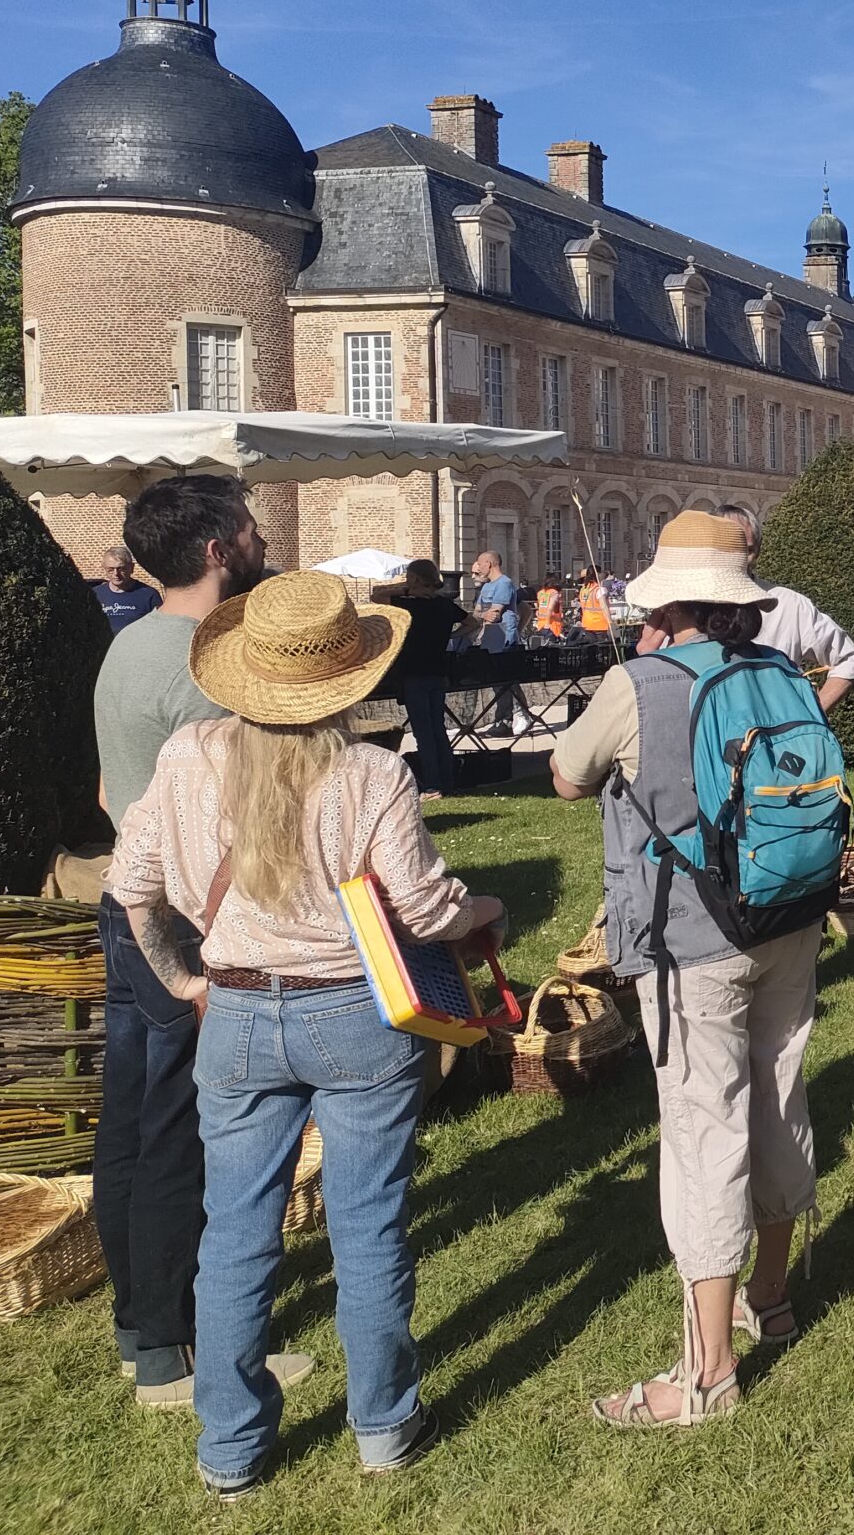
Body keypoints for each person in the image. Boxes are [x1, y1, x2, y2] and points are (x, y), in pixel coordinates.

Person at [110, 571, 504, 1499]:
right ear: (349, 676)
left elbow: (132, 887)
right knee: (368, 1227)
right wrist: (483, 909)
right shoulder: (372, 775)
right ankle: (385, 1426)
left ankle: (231, 1448)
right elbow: (425, 909)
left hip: (237, 1012)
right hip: (356, 1015)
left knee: (234, 1235)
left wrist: (184, 982)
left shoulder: (188, 756)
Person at [549, 513, 827, 1427]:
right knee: (778, 1096)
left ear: (667, 605)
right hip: (787, 912)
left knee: (705, 1132)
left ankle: (707, 1375)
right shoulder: (779, 669)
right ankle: (771, 1298)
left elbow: (566, 775)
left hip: (692, 936)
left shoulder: (637, 683)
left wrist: (641, 670)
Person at [91, 476, 313, 1413]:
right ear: (220, 548)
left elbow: (111, 793)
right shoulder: (202, 665)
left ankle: (138, 1325)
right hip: (183, 920)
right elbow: (236, 813)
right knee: (180, 1127)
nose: (262, 542)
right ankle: (170, 1353)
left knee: (131, 1118)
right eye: (252, 529)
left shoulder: (127, 643)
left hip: (126, 902)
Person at [712, 503, 854, 712]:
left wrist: (811, 716)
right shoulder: (684, 607)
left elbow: (849, 660)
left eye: (746, 550)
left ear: (757, 551)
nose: (737, 558)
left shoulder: (788, 605)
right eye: (729, 547)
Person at [379, 560, 467, 799]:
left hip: (414, 672)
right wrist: (451, 636)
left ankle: (432, 786)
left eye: (409, 577)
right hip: (438, 671)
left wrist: (406, 590)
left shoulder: (408, 605)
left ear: (415, 579)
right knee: (438, 729)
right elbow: (472, 622)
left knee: (424, 733)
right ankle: (447, 782)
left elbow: (377, 595)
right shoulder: (444, 605)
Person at [468, 550, 526, 735]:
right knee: (497, 683)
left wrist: (484, 615)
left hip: (505, 639)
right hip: (489, 640)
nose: (478, 568)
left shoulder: (505, 584)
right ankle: (503, 721)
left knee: (508, 680)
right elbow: (477, 613)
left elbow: (494, 614)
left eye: (479, 564)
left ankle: (521, 715)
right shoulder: (486, 587)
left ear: (488, 563)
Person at [92, 545, 163, 633]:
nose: (116, 574)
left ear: (132, 568)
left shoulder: (149, 595)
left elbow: (160, 628)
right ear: (104, 568)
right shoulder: (95, 595)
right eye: (110, 569)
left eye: (121, 569)